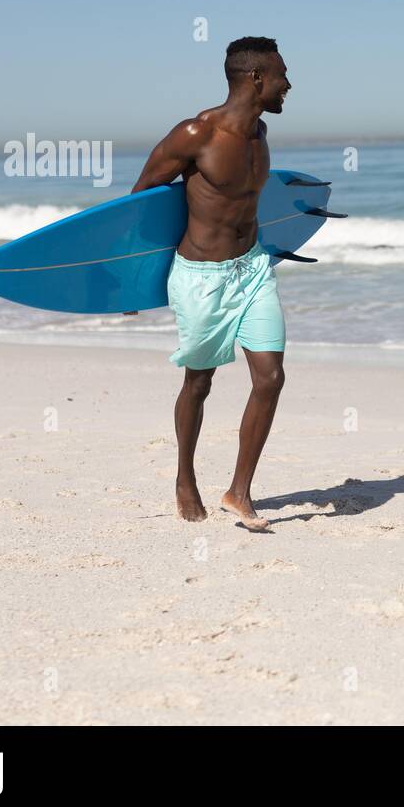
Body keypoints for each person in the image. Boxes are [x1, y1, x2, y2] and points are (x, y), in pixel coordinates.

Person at [129, 36, 292, 531]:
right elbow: (140, 202)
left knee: (270, 377)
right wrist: (129, 285)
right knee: (199, 381)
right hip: (201, 277)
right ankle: (184, 477)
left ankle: (239, 493)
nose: (289, 85)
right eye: (283, 75)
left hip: (253, 268)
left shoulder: (260, 132)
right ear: (256, 78)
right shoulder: (195, 133)